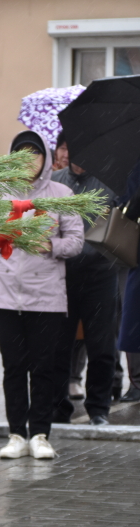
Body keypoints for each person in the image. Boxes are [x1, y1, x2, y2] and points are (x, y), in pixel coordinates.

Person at [0, 130, 84, 460]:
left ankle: (40, 433)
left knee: (44, 367)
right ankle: (16, 433)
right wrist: (0, 235)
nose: (30, 162)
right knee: (14, 367)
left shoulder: (60, 193)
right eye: (22, 155)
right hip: (5, 295)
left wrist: (51, 245)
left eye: (35, 154)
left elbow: (76, 240)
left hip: (46, 296)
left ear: (45, 158)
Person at [51, 131, 118, 425]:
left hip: (101, 274)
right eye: (66, 146)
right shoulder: (56, 182)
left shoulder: (108, 181)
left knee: (101, 345)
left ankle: (99, 408)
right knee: (59, 345)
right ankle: (58, 407)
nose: (72, 152)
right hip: (62, 274)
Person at [118, 164, 140, 402]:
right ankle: (137, 381)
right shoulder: (135, 167)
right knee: (132, 319)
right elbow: (127, 209)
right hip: (137, 257)